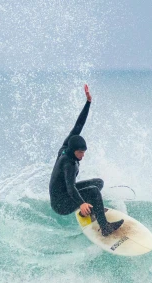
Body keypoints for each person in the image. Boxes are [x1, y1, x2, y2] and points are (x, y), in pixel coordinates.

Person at [49, 84, 124, 236]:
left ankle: (91, 210)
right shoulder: (68, 163)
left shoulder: (67, 144)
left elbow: (79, 125)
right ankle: (105, 228)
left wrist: (88, 102)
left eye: (84, 152)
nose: (82, 156)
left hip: (65, 193)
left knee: (98, 183)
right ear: (73, 151)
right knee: (94, 191)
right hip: (60, 204)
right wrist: (81, 203)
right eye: (80, 153)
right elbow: (71, 188)